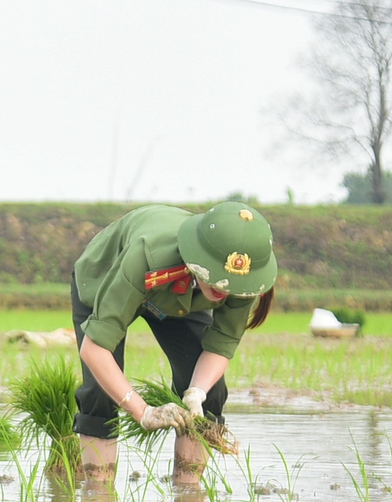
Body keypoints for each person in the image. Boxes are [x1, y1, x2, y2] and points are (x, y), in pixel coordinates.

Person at [68, 200, 277, 477]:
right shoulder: (146, 256)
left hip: (182, 297)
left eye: (230, 285)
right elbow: (94, 350)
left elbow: (220, 346)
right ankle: (96, 494)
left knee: (209, 394)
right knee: (101, 393)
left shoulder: (244, 279)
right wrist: (142, 411)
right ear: (198, 260)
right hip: (111, 278)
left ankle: (188, 495)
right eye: (214, 280)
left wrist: (196, 393)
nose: (222, 291)